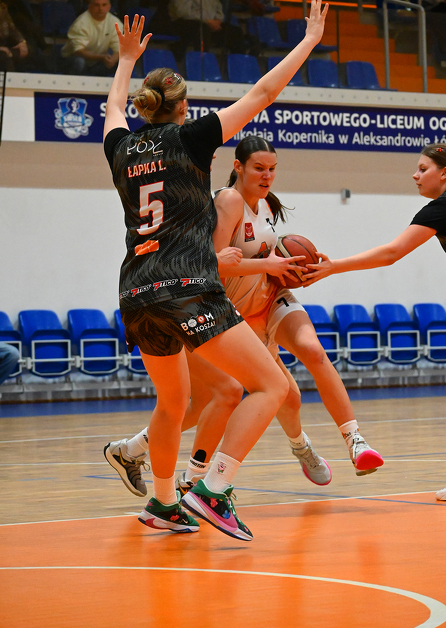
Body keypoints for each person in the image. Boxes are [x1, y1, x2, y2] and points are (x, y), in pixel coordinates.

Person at [103, 0, 328, 541]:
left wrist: (126, 60)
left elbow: (111, 110)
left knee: (173, 402)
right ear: (183, 108)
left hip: (135, 292)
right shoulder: (192, 137)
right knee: (271, 386)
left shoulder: (121, 148)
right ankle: (213, 488)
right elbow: (263, 93)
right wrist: (308, 41)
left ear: (144, 107)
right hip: (187, 286)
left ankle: (162, 502)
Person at [104, 136, 384, 501]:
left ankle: (354, 440)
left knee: (311, 352)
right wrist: (269, 264)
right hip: (229, 309)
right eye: (259, 168)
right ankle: (146, 454)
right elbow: (213, 264)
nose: (267, 176)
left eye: (272, 169)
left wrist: (293, 268)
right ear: (238, 167)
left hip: (269, 299)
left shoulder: (265, 204)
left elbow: (267, 255)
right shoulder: (228, 201)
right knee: (263, 397)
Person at [306, 143, 446, 503]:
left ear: (444, 173)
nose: (415, 175)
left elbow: (392, 253)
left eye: (423, 168)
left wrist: (333, 267)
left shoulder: (445, 208)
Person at [61, 0, 122, 75]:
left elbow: (120, 49)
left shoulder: (115, 22)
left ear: (109, 7)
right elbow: (78, 51)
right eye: (97, 5)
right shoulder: (81, 23)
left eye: (104, 5)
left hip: (97, 62)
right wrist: (102, 57)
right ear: (89, 6)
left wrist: (112, 60)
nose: (100, 8)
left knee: (122, 62)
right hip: (71, 60)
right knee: (79, 62)